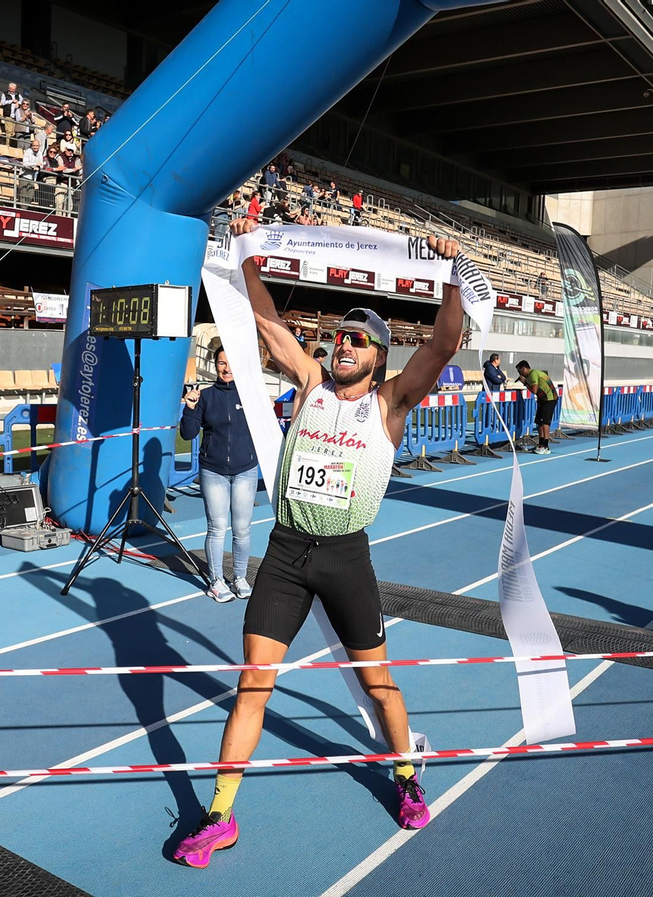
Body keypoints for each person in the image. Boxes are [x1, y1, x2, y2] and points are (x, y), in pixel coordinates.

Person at [172, 218, 465, 868]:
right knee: (254, 681)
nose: (344, 344)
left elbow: (444, 343)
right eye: (340, 336)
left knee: (376, 679)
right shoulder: (309, 383)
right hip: (285, 553)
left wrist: (449, 274)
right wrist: (247, 258)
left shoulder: (391, 402)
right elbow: (269, 323)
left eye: (359, 340)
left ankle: (404, 773)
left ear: (380, 356)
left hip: (343, 557)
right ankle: (219, 813)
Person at [179, 347, 260, 603]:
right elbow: (188, 434)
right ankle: (216, 580)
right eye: (221, 363)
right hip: (213, 472)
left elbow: (265, 428)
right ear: (215, 365)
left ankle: (240, 577)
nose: (226, 368)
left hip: (245, 471)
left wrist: (267, 407)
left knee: (242, 529)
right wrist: (190, 408)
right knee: (216, 528)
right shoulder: (205, 396)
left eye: (231, 363)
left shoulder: (250, 394)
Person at [515, 360, 558, 455]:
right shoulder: (533, 374)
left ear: (524, 369)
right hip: (542, 399)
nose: (520, 374)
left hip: (549, 399)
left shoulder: (533, 373)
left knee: (545, 422)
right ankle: (541, 443)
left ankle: (546, 446)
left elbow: (534, 390)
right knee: (539, 421)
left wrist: (525, 383)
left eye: (519, 372)